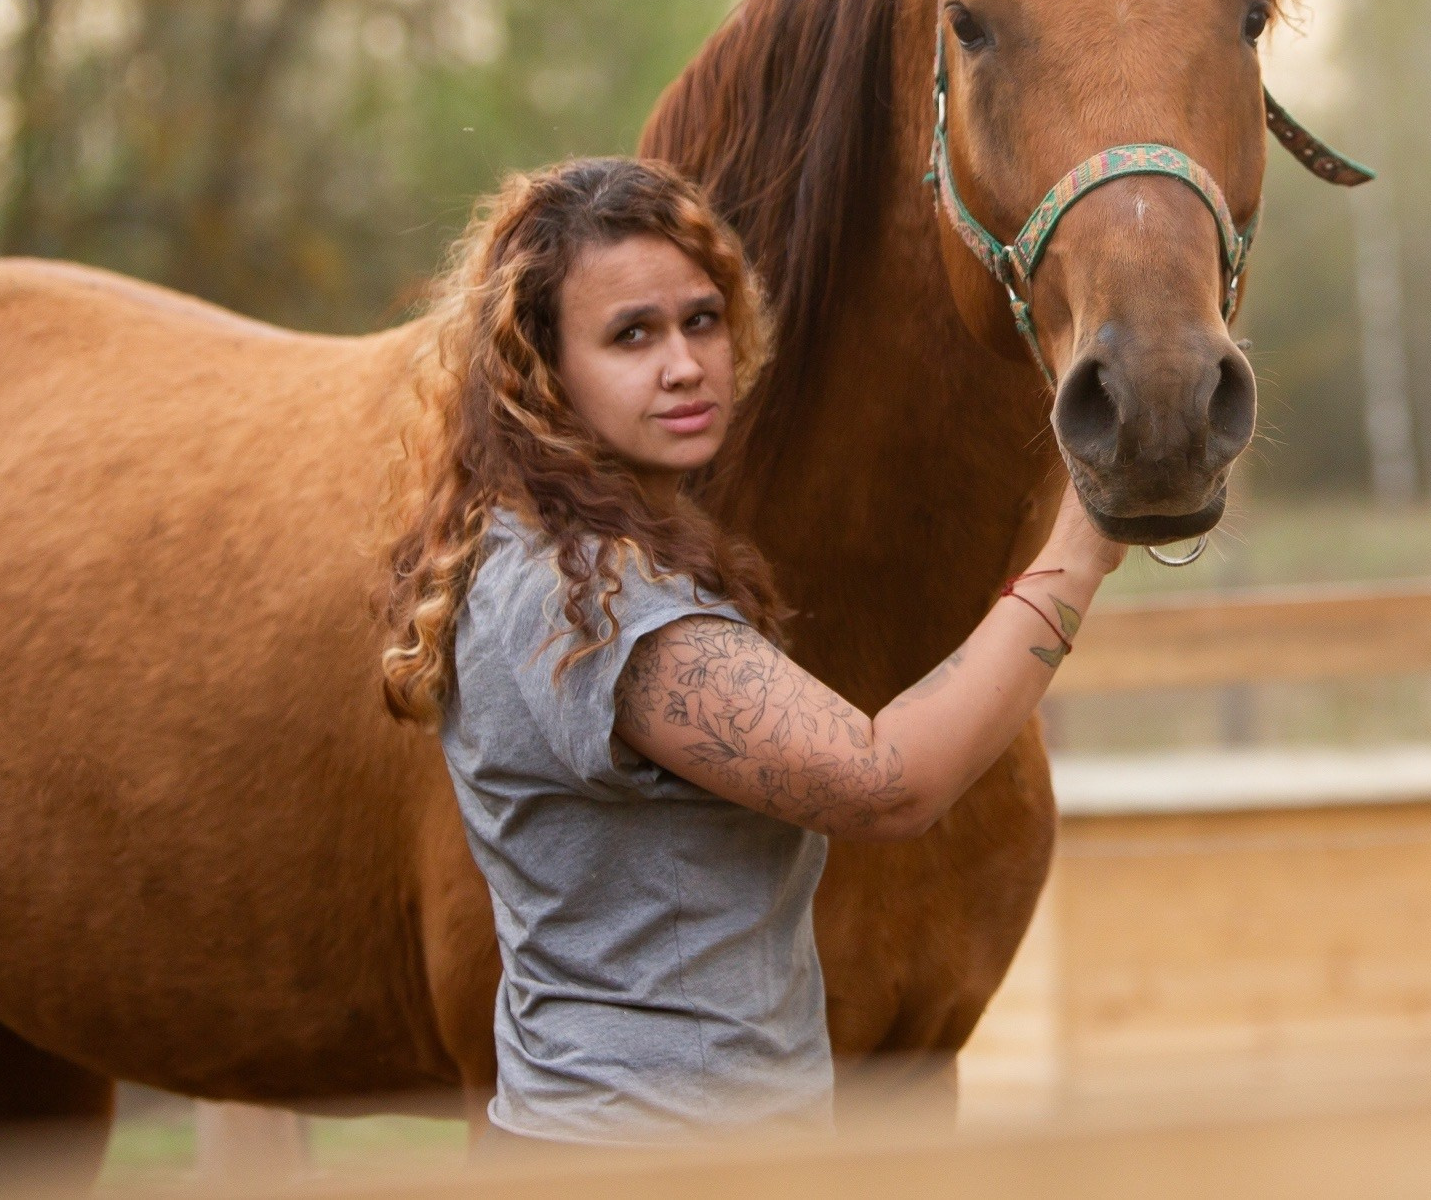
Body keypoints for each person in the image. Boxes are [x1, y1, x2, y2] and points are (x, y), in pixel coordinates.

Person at [377, 156, 1124, 1147]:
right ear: (543, 367)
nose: (684, 362)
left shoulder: (555, 550)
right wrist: (1079, 543)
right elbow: (883, 780)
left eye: (700, 318)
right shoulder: (589, 602)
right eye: (630, 334)